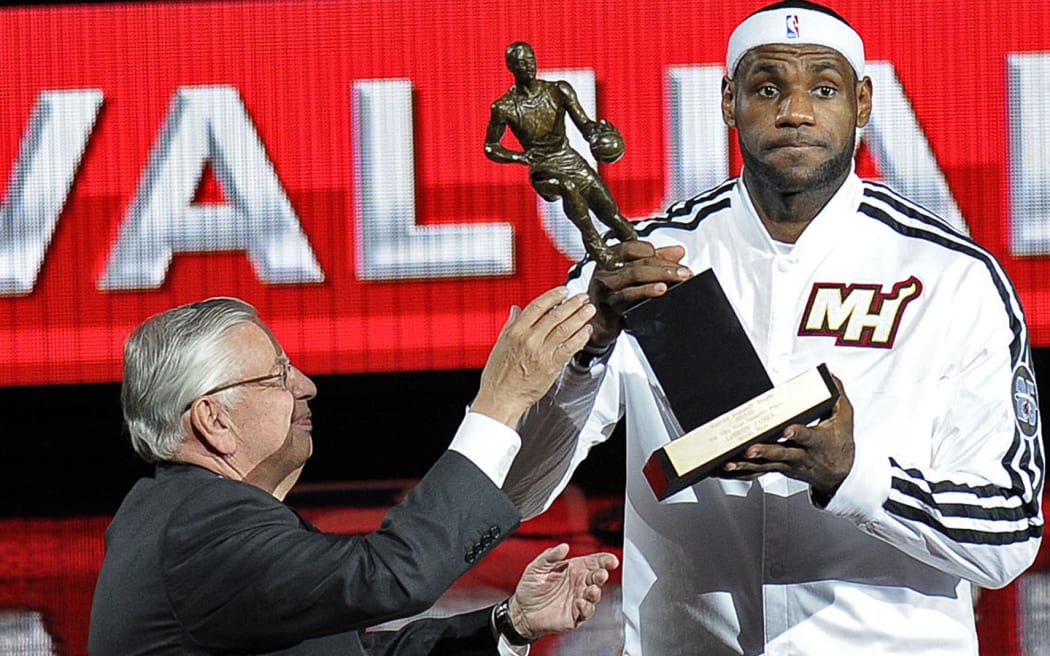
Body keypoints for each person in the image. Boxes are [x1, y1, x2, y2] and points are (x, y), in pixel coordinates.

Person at [507, 1, 1045, 654]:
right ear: (729, 100)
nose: (795, 111)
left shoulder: (951, 277)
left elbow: (1008, 533)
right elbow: (514, 490)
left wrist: (855, 476)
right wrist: (588, 350)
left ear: (864, 101)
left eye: (823, 87)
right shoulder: (636, 264)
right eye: (767, 88)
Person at [88, 287, 620, 655]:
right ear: (213, 418)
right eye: (277, 374)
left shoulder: (185, 516)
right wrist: (499, 400)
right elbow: (392, 573)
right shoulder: (199, 526)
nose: (305, 385)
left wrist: (510, 624)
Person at [485, 41, 637, 270]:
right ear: (511, 67)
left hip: (569, 160)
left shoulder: (558, 90)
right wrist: (518, 157)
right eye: (521, 63)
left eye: (530, 60)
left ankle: (639, 251)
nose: (528, 66)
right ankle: (596, 245)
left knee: (614, 217)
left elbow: (584, 125)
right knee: (566, 186)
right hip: (542, 169)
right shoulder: (505, 107)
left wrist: (598, 133)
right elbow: (491, 147)